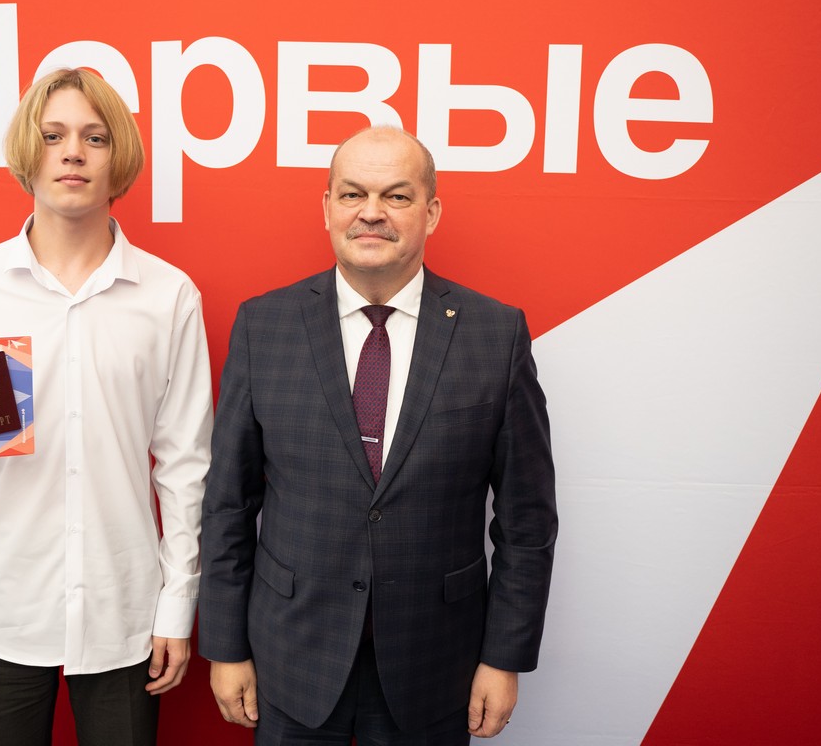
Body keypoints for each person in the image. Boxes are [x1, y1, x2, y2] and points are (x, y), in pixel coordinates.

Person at [0, 68, 213, 746]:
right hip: (3, 601)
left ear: (118, 158)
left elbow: (185, 467)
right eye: (53, 135)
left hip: (123, 604)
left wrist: (178, 604)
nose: (73, 153)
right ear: (28, 154)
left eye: (95, 137)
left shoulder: (169, 295)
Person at [198, 126, 557, 744]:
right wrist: (226, 646)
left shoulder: (496, 335)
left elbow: (527, 520)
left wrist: (503, 658)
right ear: (327, 208)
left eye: (396, 196)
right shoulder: (264, 326)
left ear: (431, 212)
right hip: (292, 658)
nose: (371, 213)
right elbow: (229, 503)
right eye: (352, 194)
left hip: (434, 665)